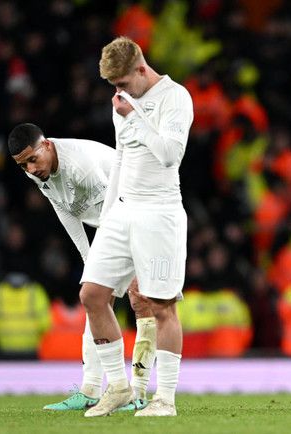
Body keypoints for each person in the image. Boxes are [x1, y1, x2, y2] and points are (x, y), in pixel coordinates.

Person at [79, 36, 193, 417]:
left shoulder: (175, 98)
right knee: (92, 294)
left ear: (142, 69)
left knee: (161, 306)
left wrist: (134, 118)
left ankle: (166, 399)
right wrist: (107, 217)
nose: (119, 92)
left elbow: (170, 155)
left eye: (124, 83)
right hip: (121, 213)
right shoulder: (122, 103)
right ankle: (118, 388)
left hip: (159, 213)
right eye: (114, 86)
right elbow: (121, 160)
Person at [8, 123, 157, 411]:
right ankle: (91, 389)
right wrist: (90, 259)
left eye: (33, 160)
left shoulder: (82, 167)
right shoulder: (37, 170)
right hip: (111, 219)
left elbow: (115, 210)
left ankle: (137, 392)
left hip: (138, 211)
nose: (30, 169)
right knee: (95, 296)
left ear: (47, 145)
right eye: (23, 165)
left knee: (139, 299)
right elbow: (63, 209)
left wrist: (106, 262)